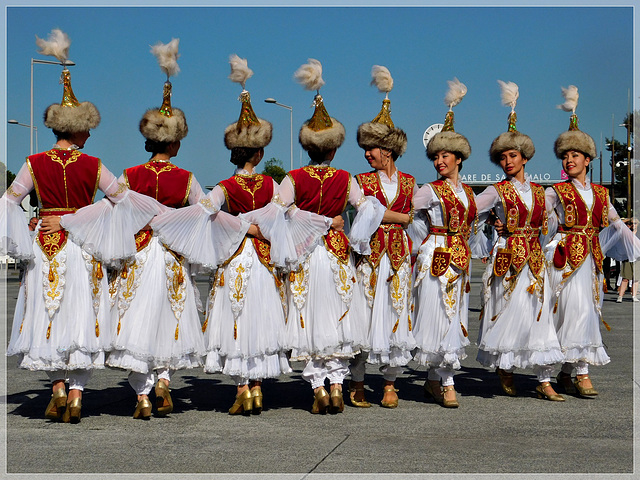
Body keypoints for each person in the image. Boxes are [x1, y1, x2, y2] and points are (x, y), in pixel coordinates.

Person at [2, 29, 161, 423]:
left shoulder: (33, 163)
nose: (90, 134)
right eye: (87, 128)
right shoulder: (93, 165)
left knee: (48, 315)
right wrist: (80, 219)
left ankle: (56, 387)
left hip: (45, 245)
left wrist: (31, 231)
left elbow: (8, 201)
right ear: (75, 129)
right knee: (81, 316)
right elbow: (119, 200)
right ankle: (76, 393)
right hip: (81, 247)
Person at [152, 55, 291, 415]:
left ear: (234, 151)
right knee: (260, 317)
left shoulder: (226, 187)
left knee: (235, 318)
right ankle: (258, 387)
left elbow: (205, 211)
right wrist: (258, 228)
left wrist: (172, 227)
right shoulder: (271, 184)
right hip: (261, 258)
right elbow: (281, 217)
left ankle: (243, 388)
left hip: (234, 258)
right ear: (260, 152)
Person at [273, 59, 384, 414]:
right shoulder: (346, 178)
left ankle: (318, 387)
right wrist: (354, 235)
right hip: (336, 253)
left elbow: (278, 210)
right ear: (334, 148)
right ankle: (337, 385)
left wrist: (302, 220)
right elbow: (369, 208)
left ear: (308, 148)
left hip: (305, 255)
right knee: (337, 316)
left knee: (307, 317)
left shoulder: (293, 178)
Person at [105, 40, 207, 419]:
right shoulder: (187, 178)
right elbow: (202, 214)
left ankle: (143, 394)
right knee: (171, 317)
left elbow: (115, 212)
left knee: (137, 320)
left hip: (140, 252)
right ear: (175, 141)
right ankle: (164, 380)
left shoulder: (130, 174)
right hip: (172, 255)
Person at [546, 85, 640, 397]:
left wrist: (630, 238)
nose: (570, 159)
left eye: (575, 155)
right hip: (563, 260)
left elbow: (614, 220)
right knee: (568, 313)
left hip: (591, 262)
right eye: (566, 155)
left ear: (588, 159)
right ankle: (574, 372)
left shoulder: (600, 193)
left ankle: (572, 370)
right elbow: (542, 219)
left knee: (586, 312)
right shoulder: (556, 192)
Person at [474, 81, 565, 401]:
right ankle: (507, 367)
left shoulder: (542, 192)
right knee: (508, 311)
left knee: (539, 315)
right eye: (502, 157)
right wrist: (489, 225)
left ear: (524, 157)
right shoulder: (495, 190)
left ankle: (544, 378)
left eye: (512, 155)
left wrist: (552, 234)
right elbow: (469, 210)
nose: (507, 161)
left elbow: (551, 221)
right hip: (507, 257)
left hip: (535, 260)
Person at [350, 65, 416, 409]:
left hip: (400, 257)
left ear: (387, 150)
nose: (367, 155)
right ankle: (358, 381)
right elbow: (367, 214)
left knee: (395, 313)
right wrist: (402, 217)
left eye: (371, 149)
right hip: (371, 256)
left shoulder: (409, 182)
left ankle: (390, 382)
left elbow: (420, 218)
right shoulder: (361, 180)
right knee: (365, 315)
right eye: (366, 150)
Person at [411, 78, 477, 408]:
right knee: (439, 315)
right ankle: (447, 382)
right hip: (435, 255)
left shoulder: (470, 194)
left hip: (460, 258)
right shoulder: (429, 190)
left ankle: (435, 381)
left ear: (459, 158)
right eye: (435, 156)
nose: (439, 162)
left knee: (454, 316)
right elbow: (405, 211)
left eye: (445, 155)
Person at [616, 219, 638, 302]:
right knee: (625, 278)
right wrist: (628, 220)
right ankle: (620, 296)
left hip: (637, 258)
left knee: (636, 278)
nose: (633, 225)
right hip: (628, 257)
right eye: (632, 223)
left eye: (635, 223)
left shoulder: (638, 233)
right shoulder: (626, 232)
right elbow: (618, 224)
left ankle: (634, 295)